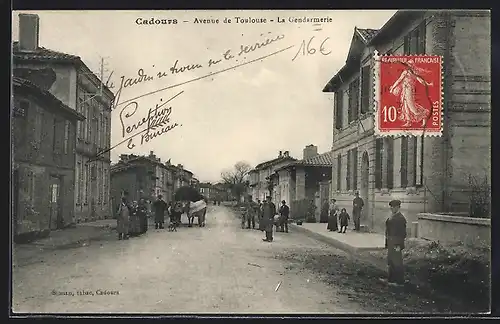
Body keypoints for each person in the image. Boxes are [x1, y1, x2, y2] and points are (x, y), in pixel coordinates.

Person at [385, 199, 407, 286]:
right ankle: (391, 280)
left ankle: (399, 281)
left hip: (396, 242)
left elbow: (402, 233)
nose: (391, 208)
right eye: (391, 207)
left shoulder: (400, 218)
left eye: (393, 207)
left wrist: (399, 245)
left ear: (398, 207)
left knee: (397, 261)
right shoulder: (392, 216)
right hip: (391, 241)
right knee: (391, 260)